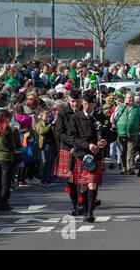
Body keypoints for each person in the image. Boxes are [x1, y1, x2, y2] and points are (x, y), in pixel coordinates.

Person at [68, 90, 115, 222]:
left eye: (89, 104)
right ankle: (85, 208)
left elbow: (112, 133)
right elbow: (73, 137)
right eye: (84, 104)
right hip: (81, 155)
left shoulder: (100, 117)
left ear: (95, 104)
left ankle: (90, 212)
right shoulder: (75, 118)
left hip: (96, 156)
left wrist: (106, 141)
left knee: (92, 183)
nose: (86, 106)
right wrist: (87, 145)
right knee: (83, 185)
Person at [55, 88, 83, 216]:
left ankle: (83, 203)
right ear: (68, 100)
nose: (75, 104)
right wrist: (74, 141)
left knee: (83, 179)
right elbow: (59, 133)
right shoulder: (62, 112)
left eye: (77, 101)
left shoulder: (85, 111)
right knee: (71, 180)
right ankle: (75, 204)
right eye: (73, 101)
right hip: (68, 148)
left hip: (83, 149)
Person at [111, 91, 140, 175]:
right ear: (125, 98)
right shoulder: (120, 107)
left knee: (130, 152)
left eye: (132, 97)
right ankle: (124, 168)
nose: (131, 99)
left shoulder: (138, 108)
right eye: (129, 97)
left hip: (133, 134)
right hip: (121, 133)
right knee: (122, 152)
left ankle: (130, 168)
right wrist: (113, 123)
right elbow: (113, 118)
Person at [0, 109, 19, 210]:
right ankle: (3, 201)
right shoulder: (7, 129)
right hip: (6, 157)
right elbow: (12, 145)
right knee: (5, 181)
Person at [35, 110, 57, 185]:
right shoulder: (39, 124)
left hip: (51, 144)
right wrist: (50, 125)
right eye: (46, 116)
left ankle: (48, 178)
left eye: (48, 116)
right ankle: (43, 179)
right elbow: (42, 132)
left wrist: (53, 125)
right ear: (41, 117)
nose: (47, 118)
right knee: (44, 162)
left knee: (51, 162)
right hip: (44, 145)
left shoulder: (49, 124)